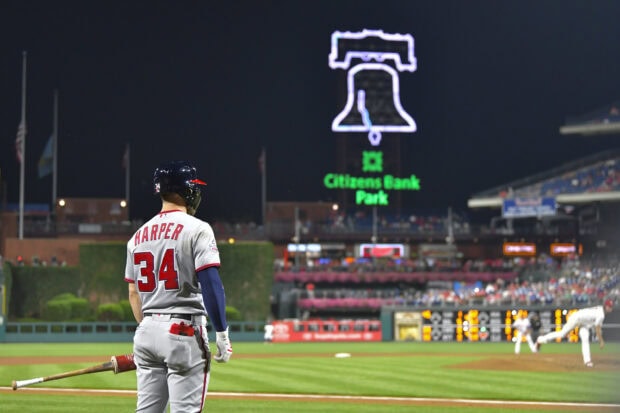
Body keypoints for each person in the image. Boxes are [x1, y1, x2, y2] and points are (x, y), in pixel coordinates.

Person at [124, 160, 233, 412]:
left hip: (146, 331)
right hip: (183, 331)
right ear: (187, 190)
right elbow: (210, 283)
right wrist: (222, 333)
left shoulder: (137, 236)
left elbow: (133, 292)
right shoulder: (198, 228)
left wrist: (151, 329)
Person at [536, 299, 614, 367]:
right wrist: (601, 341)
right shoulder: (601, 315)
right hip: (576, 318)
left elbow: (596, 326)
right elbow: (597, 328)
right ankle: (540, 339)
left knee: (585, 338)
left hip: (584, 323)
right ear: (605, 306)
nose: (610, 308)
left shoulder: (600, 310)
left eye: (611, 307)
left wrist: (598, 335)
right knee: (562, 334)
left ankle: (587, 361)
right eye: (609, 306)